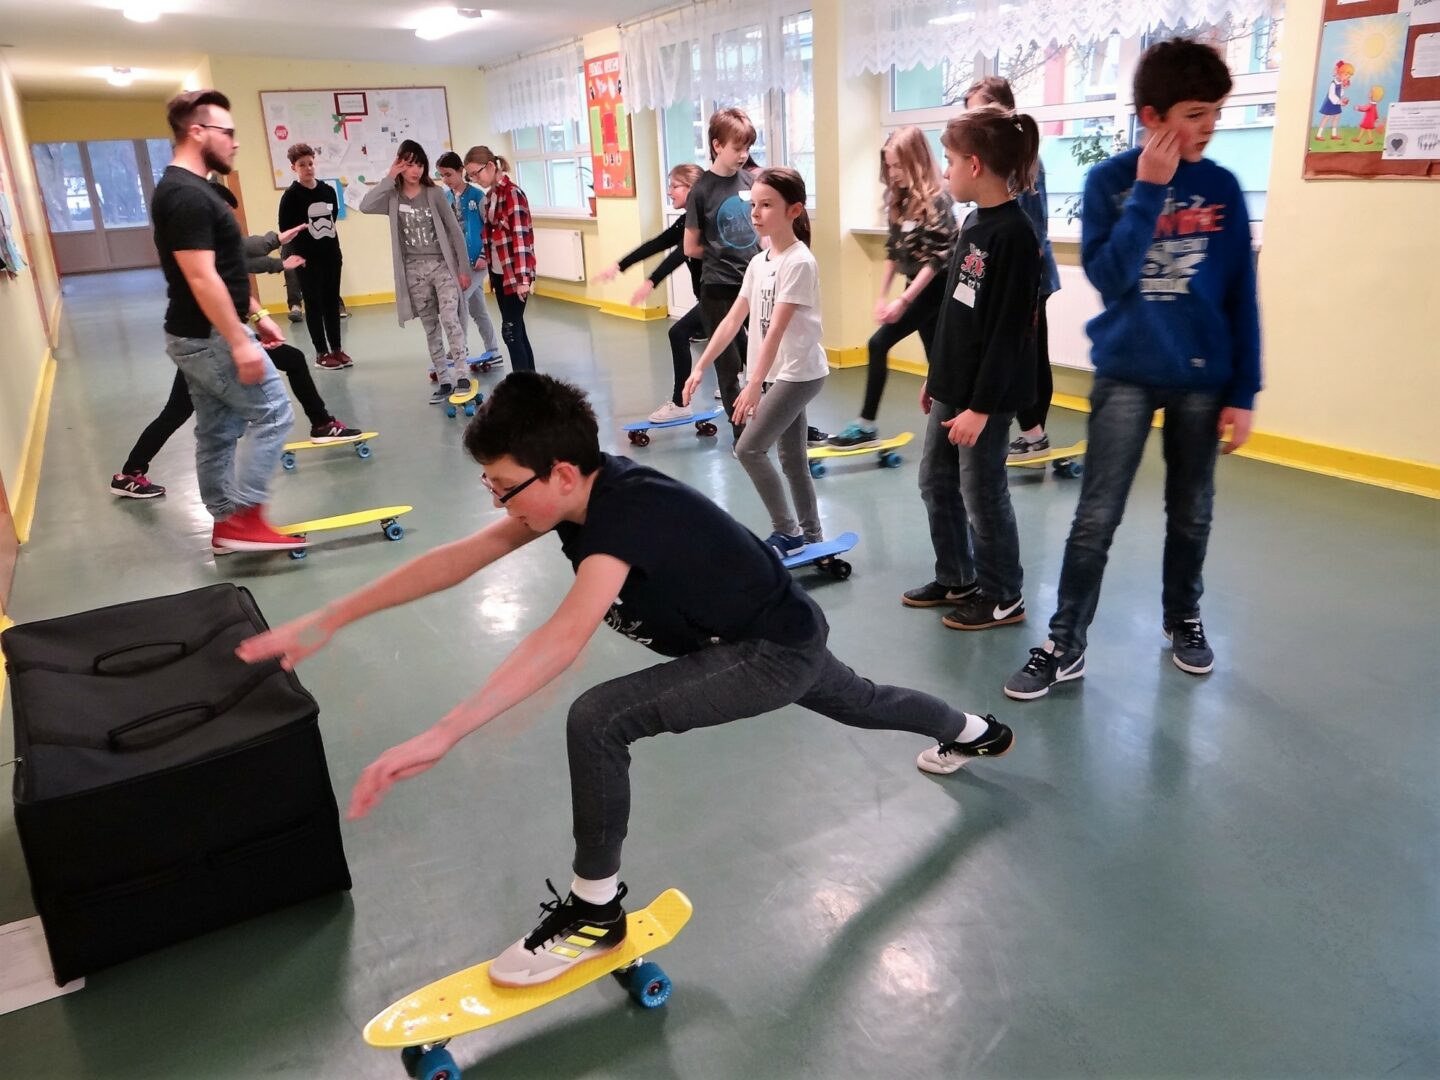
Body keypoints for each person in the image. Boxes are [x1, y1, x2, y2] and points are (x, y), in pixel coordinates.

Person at [234, 372, 1014, 989]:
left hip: (771, 649)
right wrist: (334, 614)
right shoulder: (575, 495)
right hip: (779, 633)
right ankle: (975, 732)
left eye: (503, 486)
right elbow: (459, 559)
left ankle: (594, 911)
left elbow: (562, 639)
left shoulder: (622, 517)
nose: (496, 501)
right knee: (863, 701)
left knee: (601, 718)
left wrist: (445, 732)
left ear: (560, 472)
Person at [1004, 38, 1261, 699]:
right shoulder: (1109, 183)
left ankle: (1183, 617)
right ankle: (1065, 643)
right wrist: (1149, 190)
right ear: (1152, 117)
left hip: (1203, 376)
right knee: (1096, 514)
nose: (1211, 125)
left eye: (1216, 112)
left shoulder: (1223, 188)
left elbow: (1242, 295)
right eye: (1196, 113)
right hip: (1126, 370)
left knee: (1192, 512)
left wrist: (1244, 391)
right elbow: (1112, 278)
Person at [112, 184, 361, 498]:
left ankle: (130, 472)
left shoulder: (207, 242)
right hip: (211, 341)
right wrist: (277, 256)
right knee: (292, 362)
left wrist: (277, 248)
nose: (227, 223)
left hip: (207, 340)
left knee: (177, 410)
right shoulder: (196, 246)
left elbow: (241, 257)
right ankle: (321, 424)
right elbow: (239, 259)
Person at [148, 89, 301, 553]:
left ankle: (227, 522)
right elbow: (201, 276)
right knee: (274, 412)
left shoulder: (194, 189)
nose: (235, 142)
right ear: (197, 132)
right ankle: (244, 518)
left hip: (201, 330)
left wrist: (256, 313)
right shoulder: (185, 194)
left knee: (217, 431)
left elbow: (223, 266)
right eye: (227, 132)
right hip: (210, 333)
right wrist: (239, 341)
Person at [907, 106, 1041, 631]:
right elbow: (956, 310)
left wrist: (981, 409)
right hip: (954, 384)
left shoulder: (1016, 235)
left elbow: (1009, 333)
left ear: (976, 165)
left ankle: (1004, 595)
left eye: (950, 160)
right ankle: (958, 576)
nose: (946, 171)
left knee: (982, 494)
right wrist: (936, 374)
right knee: (935, 482)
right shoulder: (973, 222)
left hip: (987, 396)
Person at [682, 168, 829, 558]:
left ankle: (788, 532)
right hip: (779, 372)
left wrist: (752, 385)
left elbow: (776, 329)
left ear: (793, 210)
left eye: (767, 205)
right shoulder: (759, 262)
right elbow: (733, 320)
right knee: (791, 458)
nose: (756, 213)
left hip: (798, 373)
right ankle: (812, 535)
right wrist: (701, 366)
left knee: (748, 449)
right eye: (754, 205)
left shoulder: (799, 262)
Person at [827, 127, 957, 450]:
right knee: (938, 360)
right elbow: (894, 252)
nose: (893, 172)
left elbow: (937, 260)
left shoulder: (938, 199)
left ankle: (866, 424)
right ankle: (949, 426)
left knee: (878, 343)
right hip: (917, 286)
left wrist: (904, 300)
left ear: (917, 161)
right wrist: (883, 296)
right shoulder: (900, 199)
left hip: (938, 287)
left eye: (899, 165)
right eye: (889, 166)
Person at [960, 78, 1063, 463]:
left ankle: (1035, 433)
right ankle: (1031, 430)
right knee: (1018, 352)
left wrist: (1013, 277)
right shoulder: (995, 159)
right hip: (1009, 273)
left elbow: (1033, 229)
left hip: (1032, 279)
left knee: (1029, 354)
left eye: (977, 110)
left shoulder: (1024, 160)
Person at [592, 163, 708, 423]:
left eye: (674, 186)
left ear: (692, 189)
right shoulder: (688, 219)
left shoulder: (703, 220)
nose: (669, 191)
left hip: (722, 296)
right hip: (712, 297)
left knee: (679, 332)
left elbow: (681, 253)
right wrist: (619, 265)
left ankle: (681, 403)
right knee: (737, 343)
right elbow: (659, 243)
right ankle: (753, 387)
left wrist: (651, 281)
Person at [360, 140, 472, 403]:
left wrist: (463, 269)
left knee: (450, 317)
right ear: (399, 164)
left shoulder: (434, 194)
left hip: (442, 266)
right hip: (413, 270)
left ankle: (462, 374)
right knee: (430, 325)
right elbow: (366, 205)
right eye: (409, 164)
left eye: (420, 164)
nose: (415, 170)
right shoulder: (393, 197)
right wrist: (389, 177)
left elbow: (455, 232)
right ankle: (444, 380)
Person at [684, 108, 761, 444]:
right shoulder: (701, 190)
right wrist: (721, 250)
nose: (743, 155)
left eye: (747, 148)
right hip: (718, 288)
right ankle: (742, 437)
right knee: (729, 368)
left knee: (769, 359)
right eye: (737, 148)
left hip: (755, 283)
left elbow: (762, 229)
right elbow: (690, 246)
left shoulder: (751, 182)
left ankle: (778, 425)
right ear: (717, 145)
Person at [464, 146, 537, 373]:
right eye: (471, 176)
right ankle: (531, 382)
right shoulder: (490, 197)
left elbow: (521, 238)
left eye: (476, 173)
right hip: (499, 274)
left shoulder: (513, 194)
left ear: (490, 166)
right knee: (517, 330)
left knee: (510, 331)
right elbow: (490, 238)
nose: (474, 179)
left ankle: (521, 385)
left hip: (516, 275)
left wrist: (523, 279)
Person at [278, 143, 349, 370]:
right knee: (314, 303)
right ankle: (321, 353)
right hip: (306, 258)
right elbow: (285, 230)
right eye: (302, 165)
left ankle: (336, 348)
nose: (308, 168)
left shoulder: (327, 191)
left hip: (331, 255)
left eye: (310, 163)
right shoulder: (290, 196)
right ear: (293, 168)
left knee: (331, 301)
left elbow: (332, 217)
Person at [436, 151, 503, 370]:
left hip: (476, 261)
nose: (445, 180)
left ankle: (459, 348)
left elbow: (490, 229)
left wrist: (484, 254)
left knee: (458, 301)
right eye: (441, 176)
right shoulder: (447, 197)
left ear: (460, 171)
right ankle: (494, 351)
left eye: (448, 174)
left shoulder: (477, 196)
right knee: (477, 309)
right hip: (459, 262)